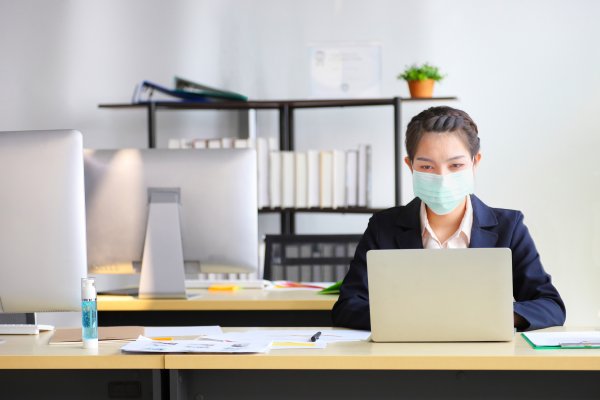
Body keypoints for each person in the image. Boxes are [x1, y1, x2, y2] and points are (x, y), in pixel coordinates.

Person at [331, 106, 565, 332]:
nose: (442, 177)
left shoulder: (509, 227)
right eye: (427, 166)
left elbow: (550, 305)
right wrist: (418, 318)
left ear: (475, 162)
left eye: (455, 165)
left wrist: (492, 316)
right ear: (410, 166)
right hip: (406, 359)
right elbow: (348, 306)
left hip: (485, 362)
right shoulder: (384, 227)